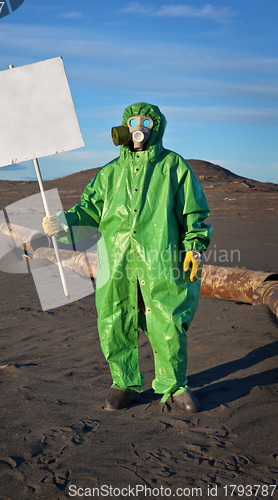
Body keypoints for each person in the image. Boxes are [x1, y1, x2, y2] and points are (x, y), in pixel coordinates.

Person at [43, 102, 212, 413]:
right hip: (117, 260)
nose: (138, 128)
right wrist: (64, 222)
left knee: (167, 320)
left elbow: (194, 212)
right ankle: (124, 382)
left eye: (146, 123)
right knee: (115, 318)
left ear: (156, 128)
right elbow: (89, 210)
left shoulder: (173, 167)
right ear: (124, 126)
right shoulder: (109, 173)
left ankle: (174, 385)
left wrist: (194, 246)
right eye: (133, 121)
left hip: (160, 259)